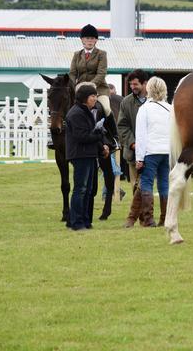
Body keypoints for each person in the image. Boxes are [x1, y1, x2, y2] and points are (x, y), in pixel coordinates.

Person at [65, 84, 109, 231]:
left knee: (88, 189)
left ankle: (84, 220)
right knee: (81, 189)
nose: (95, 98)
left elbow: (90, 133)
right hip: (80, 154)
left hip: (88, 154)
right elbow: (81, 136)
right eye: (92, 96)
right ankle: (76, 222)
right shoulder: (76, 113)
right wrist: (98, 134)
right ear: (85, 98)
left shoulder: (87, 112)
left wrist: (101, 145)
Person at [69, 24, 119, 149]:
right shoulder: (77, 54)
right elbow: (72, 73)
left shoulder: (101, 54)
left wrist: (91, 85)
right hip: (80, 89)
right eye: (87, 38)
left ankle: (114, 137)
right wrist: (74, 85)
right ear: (82, 40)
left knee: (107, 109)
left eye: (92, 39)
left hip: (99, 89)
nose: (89, 41)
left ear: (96, 40)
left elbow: (102, 73)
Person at [134, 76, 172, 227]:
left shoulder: (144, 109)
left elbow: (141, 135)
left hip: (150, 151)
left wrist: (139, 158)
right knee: (164, 184)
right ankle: (165, 218)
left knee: (147, 184)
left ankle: (149, 219)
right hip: (167, 151)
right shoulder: (170, 108)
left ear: (148, 89)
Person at [117, 69, 151, 227]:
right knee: (136, 186)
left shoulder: (155, 100)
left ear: (145, 83)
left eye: (135, 84)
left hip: (154, 151)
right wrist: (133, 143)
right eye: (130, 84)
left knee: (148, 186)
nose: (132, 87)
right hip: (133, 153)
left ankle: (146, 217)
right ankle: (143, 218)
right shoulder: (126, 102)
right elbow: (122, 126)